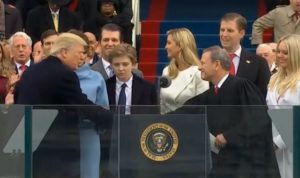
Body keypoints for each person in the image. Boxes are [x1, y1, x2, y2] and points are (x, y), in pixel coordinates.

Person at [14, 32, 112, 178]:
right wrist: (112, 118)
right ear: (65, 52)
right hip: (55, 149)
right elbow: (81, 105)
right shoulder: (64, 74)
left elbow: (17, 97)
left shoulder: (32, 71)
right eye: (79, 53)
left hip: (30, 147)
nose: (82, 57)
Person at [175, 45, 280, 178]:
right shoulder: (209, 94)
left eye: (203, 63)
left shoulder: (242, 86)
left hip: (248, 165)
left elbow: (258, 118)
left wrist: (229, 136)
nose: (199, 67)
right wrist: (160, 119)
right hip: (225, 164)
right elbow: (186, 110)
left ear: (217, 64)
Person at [70, 29, 109, 178]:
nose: (79, 56)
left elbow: (103, 109)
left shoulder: (96, 78)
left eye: (82, 51)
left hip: (89, 135)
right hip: (63, 135)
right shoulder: (59, 76)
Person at [266, 34, 300, 178]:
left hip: (294, 144)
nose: (280, 55)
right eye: (278, 51)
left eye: (285, 53)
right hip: (274, 146)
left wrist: (277, 142)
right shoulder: (274, 79)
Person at [219, 12, 270, 97]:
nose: (224, 34)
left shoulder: (259, 63)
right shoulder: (211, 59)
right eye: (222, 30)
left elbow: (263, 96)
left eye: (230, 30)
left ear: (241, 33)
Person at [160, 28, 209, 114]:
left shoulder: (198, 72)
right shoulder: (166, 71)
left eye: (169, 43)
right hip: (167, 124)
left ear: (180, 46)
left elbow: (202, 107)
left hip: (190, 123)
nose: (165, 47)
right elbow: (162, 104)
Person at [106, 43, 157, 114]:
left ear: (133, 64)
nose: (121, 68)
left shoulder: (148, 89)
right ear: (111, 65)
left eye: (125, 64)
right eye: (116, 64)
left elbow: (155, 118)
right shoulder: (105, 86)